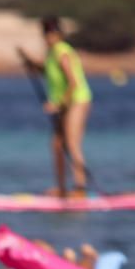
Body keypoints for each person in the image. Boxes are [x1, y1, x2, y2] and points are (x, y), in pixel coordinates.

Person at [18, 16, 93, 199]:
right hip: (64, 104)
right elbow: (46, 70)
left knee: (72, 143)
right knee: (57, 145)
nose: (49, 37)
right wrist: (29, 61)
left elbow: (73, 83)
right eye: (46, 34)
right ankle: (61, 188)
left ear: (59, 34)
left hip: (77, 100)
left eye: (53, 33)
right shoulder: (51, 53)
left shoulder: (62, 52)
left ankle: (80, 188)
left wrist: (57, 104)